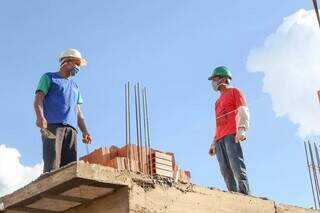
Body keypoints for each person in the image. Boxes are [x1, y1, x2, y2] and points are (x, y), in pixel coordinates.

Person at [34, 48, 92, 173]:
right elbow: (38, 99)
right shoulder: (49, 77)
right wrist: (40, 117)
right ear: (66, 62)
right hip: (53, 128)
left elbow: (78, 112)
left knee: (69, 170)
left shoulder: (75, 87)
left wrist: (85, 131)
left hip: (72, 131)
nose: (78, 68)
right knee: (52, 166)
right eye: (76, 64)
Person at [208, 66, 250, 194]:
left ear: (224, 78)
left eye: (215, 79)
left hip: (232, 135)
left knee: (236, 166)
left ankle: (244, 194)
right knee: (225, 171)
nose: (213, 83)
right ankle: (233, 195)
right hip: (220, 139)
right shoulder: (217, 103)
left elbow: (244, 111)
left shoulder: (235, 92)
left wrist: (242, 128)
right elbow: (219, 124)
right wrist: (213, 143)